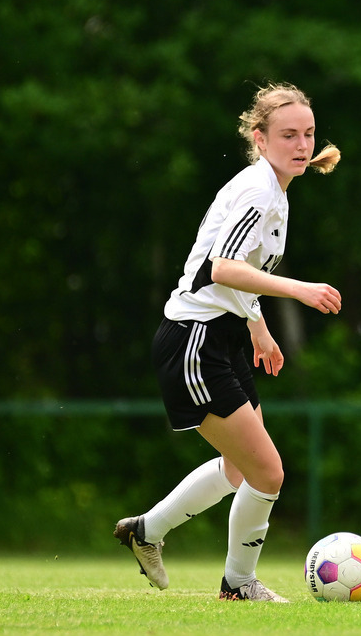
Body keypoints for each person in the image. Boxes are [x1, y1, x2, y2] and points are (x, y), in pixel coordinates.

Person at [114, 82, 343, 602]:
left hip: (221, 339)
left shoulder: (275, 191)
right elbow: (221, 267)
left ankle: (146, 531)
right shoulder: (259, 191)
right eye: (288, 135)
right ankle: (238, 586)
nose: (301, 144)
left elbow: (235, 271)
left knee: (243, 469)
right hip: (193, 341)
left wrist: (257, 326)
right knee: (268, 472)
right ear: (260, 140)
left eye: (308, 134)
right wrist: (296, 289)